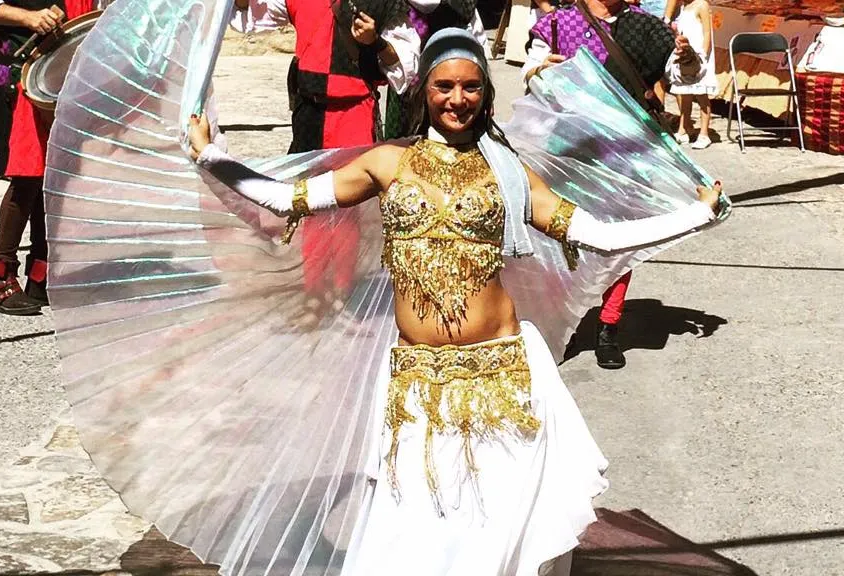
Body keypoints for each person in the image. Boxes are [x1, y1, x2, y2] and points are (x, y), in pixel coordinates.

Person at [188, 28, 722, 574]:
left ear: (486, 95)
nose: (457, 99)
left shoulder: (509, 173)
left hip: (503, 376)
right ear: (424, 92)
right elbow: (287, 198)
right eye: (445, 86)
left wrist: (697, 214)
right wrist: (211, 156)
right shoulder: (387, 165)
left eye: (471, 87)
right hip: (418, 380)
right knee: (419, 521)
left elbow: (600, 235)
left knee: (495, 523)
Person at [231, 0, 421, 324]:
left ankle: (342, 293)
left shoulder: (379, 3)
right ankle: (315, 295)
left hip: (354, 112)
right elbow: (253, 13)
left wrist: (374, 42)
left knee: (348, 209)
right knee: (310, 208)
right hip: (309, 113)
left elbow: (407, 68)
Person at [521, 0, 685, 369]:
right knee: (564, 238)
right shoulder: (558, 23)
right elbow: (530, 71)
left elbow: (679, 75)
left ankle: (609, 326)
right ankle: (566, 318)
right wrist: (540, 71)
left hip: (628, 149)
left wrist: (686, 58)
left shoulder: (647, 26)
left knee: (622, 240)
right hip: (568, 148)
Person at [0, 0, 92, 314]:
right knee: (28, 176)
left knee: (59, 177)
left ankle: (41, 275)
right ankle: (1, 278)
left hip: (68, 78)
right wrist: (29, 17)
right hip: (23, 76)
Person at [384, 0, 486, 139]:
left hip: (458, 91)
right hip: (406, 93)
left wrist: (485, 95)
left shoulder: (464, 5)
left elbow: (478, 47)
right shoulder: (397, 6)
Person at [668, 0, 717, 149]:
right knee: (685, 94)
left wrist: (702, 53)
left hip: (699, 55)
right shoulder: (684, 7)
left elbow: (707, 31)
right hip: (686, 55)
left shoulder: (702, 4)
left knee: (701, 95)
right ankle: (683, 129)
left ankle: (704, 133)